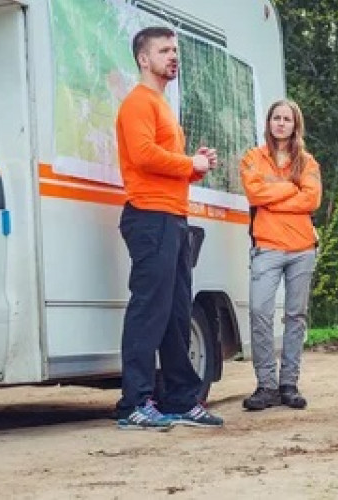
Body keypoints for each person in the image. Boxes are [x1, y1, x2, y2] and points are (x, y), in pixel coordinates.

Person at [114, 26, 223, 429]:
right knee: (149, 311)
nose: (173, 56)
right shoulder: (138, 102)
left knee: (177, 314)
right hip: (150, 217)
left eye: (175, 50)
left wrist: (194, 165)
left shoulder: (160, 104)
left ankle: (179, 398)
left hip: (173, 217)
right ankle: (134, 404)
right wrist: (187, 164)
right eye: (165, 50)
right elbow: (143, 156)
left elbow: (165, 165)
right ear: (144, 58)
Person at [240, 99, 322, 411]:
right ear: (269, 122)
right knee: (260, 312)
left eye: (287, 119)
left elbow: (312, 199)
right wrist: (292, 189)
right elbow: (254, 194)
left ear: (295, 124)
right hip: (267, 247)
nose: (281, 123)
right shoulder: (253, 158)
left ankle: (289, 383)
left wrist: (274, 199)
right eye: (277, 118)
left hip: (302, 249)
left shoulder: (308, 162)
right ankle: (266, 385)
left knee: (295, 317)